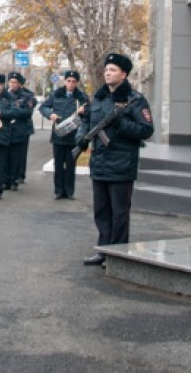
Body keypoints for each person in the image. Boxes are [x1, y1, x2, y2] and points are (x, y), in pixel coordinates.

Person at [80, 53, 154, 267]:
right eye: (106, 70)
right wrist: (82, 139)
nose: (107, 73)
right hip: (100, 163)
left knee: (119, 213)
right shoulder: (98, 98)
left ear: (124, 74)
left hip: (122, 164)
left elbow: (146, 130)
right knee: (101, 211)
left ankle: (118, 254)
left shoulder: (135, 100)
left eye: (112, 70)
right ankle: (103, 251)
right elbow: (86, 122)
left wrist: (121, 123)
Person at [39, 70, 88, 200]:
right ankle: (59, 191)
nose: (71, 84)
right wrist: (50, 115)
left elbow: (89, 113)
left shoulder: (81, 97)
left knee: (71, 165)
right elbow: (43, 107)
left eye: (73, 81)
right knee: (59, 164)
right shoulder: (56, 94)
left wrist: (83, 112)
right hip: (59, 135)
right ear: (65, 81)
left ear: (77, 83)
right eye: (68, 81)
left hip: (73, 136)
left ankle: (69, 191)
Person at [5, 72, 37, 190]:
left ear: (19, 84)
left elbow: (27, 111)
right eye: (11, 82)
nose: (12, 84)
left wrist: (10, 113)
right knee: (5, 156)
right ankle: (5, 180)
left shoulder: (26, 96)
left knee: (17, 156)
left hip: (20, 130)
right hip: (6, 130)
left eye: (15, 82)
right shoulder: (3, 94)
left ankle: (15, 179)